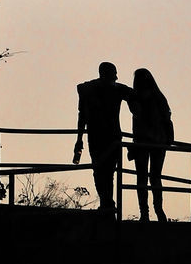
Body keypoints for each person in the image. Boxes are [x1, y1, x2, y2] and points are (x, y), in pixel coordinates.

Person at [73, 61, 135, 217]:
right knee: (107, 172)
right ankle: (107, 204)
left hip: (98, 135)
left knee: (100, 171)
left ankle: (106, 203)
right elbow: (138, 100)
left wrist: (79, 138)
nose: (116, 76)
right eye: (114, 73)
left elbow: (82, 115)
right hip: (110, 136)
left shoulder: (87, 88)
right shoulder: (117, 89)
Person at [130, 68, 174, 223]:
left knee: (142, 178)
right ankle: (159, 211)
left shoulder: (135, 98)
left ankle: (145, 213)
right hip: (158, 142)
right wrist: (169, 138)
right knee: (155, 177)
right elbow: (167, 118)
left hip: (143, 142)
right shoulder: (158, 97)